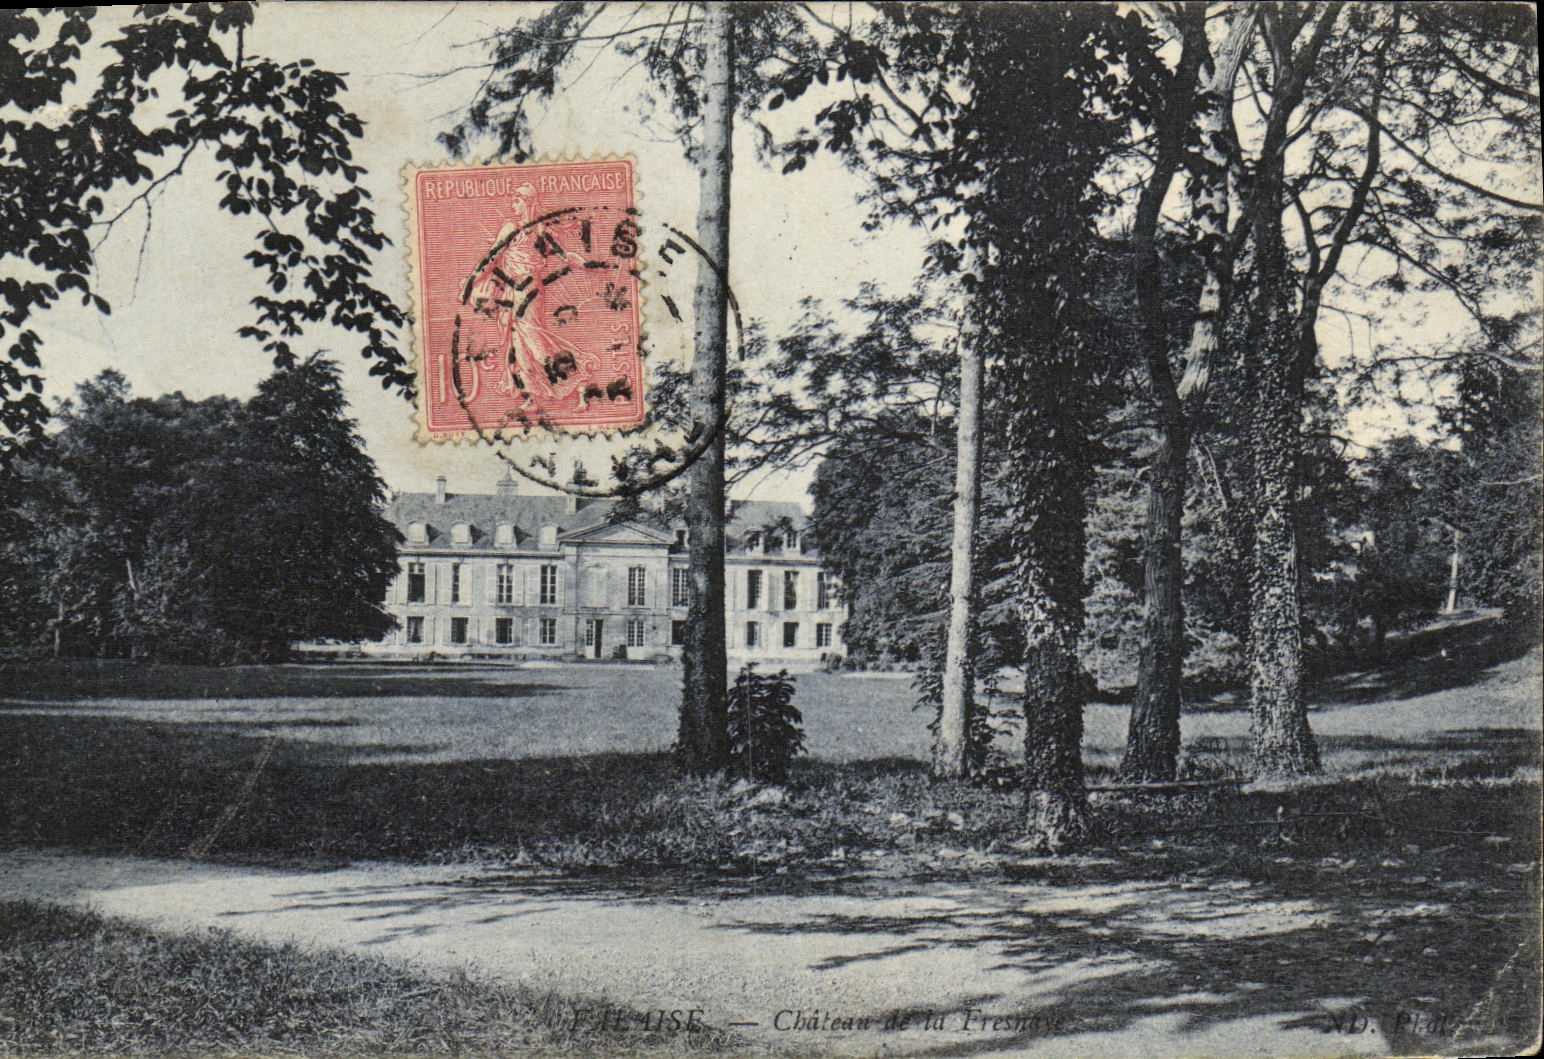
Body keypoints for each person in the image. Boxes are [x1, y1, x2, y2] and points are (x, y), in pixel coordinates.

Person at [469, 184, 599, 413]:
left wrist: (577, 260)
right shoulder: (521, 227)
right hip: (517, 288)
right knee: (519, 341)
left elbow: (560, 253)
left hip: (527, 289)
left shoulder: (535, 228)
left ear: (528, 202)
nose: (513, 206)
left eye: (517, 201)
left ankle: (577, 375)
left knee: (531, 339)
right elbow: (493, 258)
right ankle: (531, 396)